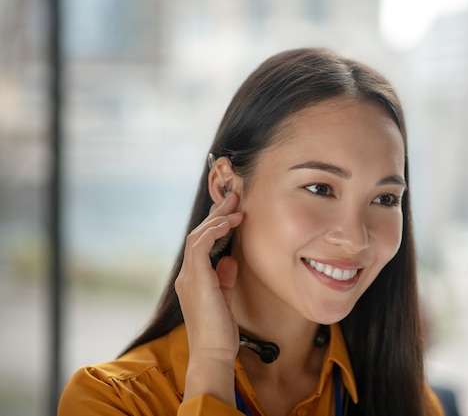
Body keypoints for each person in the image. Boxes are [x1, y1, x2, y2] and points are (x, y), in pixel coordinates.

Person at [58, 48, 443, 416]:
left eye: (385, 199)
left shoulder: (412, 404)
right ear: (227, 187)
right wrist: (210, 364)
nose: (357, 239)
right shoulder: (112, 402)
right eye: (320, 189)